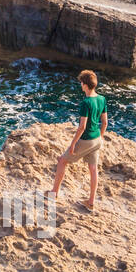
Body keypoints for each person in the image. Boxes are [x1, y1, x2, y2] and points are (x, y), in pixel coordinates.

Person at [48, 69, 108, 210]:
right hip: (97, 140)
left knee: (62, 161)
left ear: (85, 85)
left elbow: (82, 127)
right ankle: (91, 202)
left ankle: (53, 193)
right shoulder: (102, 99)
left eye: (81, 83)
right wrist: (100, 137)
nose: (80, 85)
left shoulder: (86, 102)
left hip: (86, 139)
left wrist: (73, 143)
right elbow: (104, 123)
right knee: (93, 169)